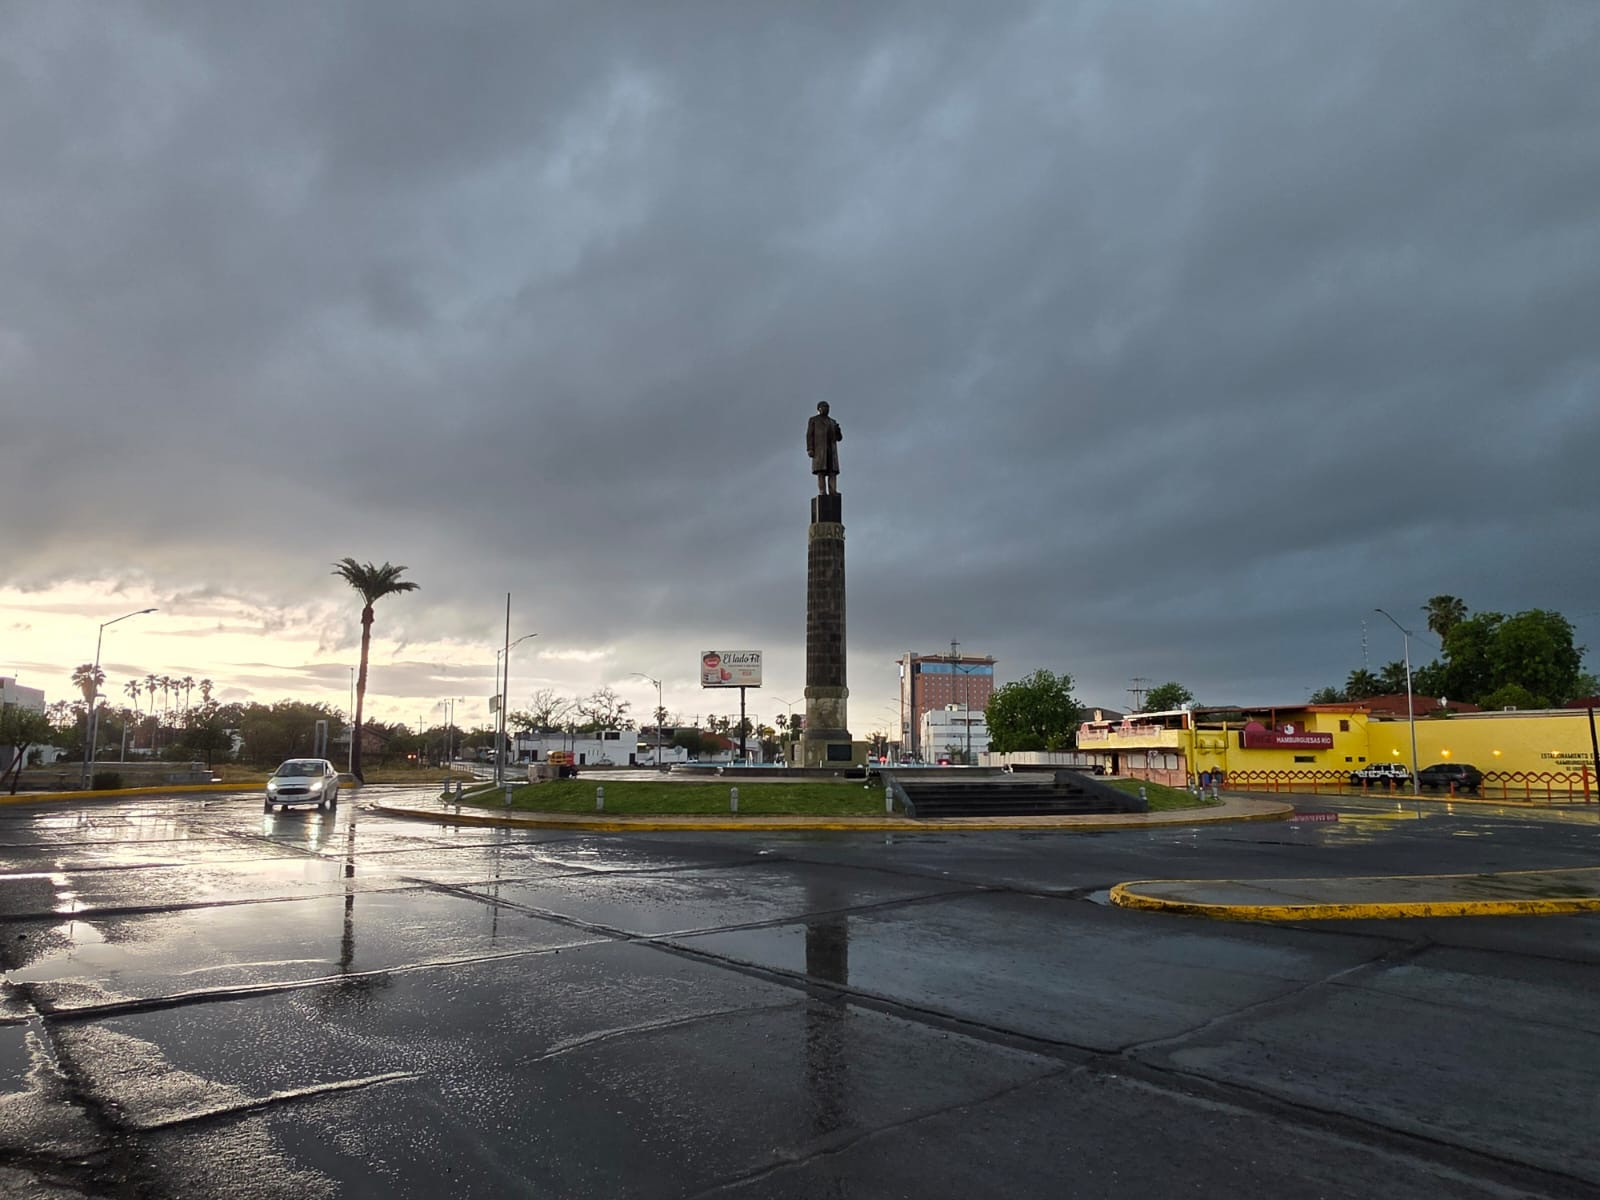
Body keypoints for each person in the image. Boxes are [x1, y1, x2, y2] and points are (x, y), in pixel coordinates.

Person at [806, 401, 842, 495]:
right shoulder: (813, 420)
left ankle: (832, 490)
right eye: (824, 407)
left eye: (828, 407)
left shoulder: (833, 422)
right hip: (820, 450)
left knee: (832, 472)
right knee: (821, 472)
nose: (826, 409)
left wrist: (838, 431)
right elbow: (809, 435)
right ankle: (822, 491)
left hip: (831, 450)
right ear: (819, 409)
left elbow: (839, 438)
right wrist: (810, 448)